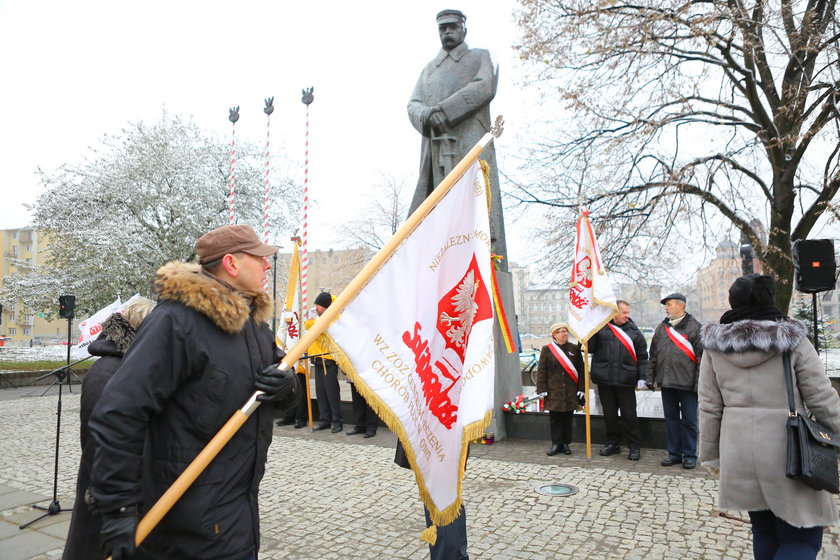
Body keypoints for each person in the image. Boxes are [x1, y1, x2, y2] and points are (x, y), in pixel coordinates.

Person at [87, 224, 299, 560]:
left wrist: (286, 388)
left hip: (237, 510)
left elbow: (280, 385)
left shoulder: (254, 326)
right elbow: (119, 413)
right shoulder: (175, 323)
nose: (267, 265)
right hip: (182, 524)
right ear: (231, 264)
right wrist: (118, 509)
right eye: (259, 258)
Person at [699, 274, 840, 560]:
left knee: (764, 532)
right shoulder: (792, 340)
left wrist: (711, 457)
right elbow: (821, 398)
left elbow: (709, 407)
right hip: (788, 448)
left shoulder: (714, 346)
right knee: (803, 537)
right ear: (769, 299)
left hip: (738, 449)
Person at [407, 8, 507, 268]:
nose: (447, 32)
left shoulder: (482, 57)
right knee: (435, 211)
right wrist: (427, 116)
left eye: (452, 26)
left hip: (471, 144)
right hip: (437, 150)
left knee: (477, 206)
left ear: (464, 28)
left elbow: (483, 86)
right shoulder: (429, 70)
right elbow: (413, 104)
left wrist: (444, 112)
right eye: (443, 28)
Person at [62, 297, 155, 560]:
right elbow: (100, 448)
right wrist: (121, 507)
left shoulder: (135, 367)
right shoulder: (107, 372)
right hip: (110, 505)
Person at [645, 292, 702, 469]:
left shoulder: (695, 328)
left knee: (690, 421)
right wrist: (650, 378)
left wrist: (698, 384)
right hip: (667, 382)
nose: (666, 308)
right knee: (671, 420)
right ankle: (674, 453)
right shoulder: (662, 328)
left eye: (669, 304)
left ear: (681, 306)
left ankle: (690, 454)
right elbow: (653, 355)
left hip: (687, 383)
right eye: (666, 305)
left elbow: (702, 359)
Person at [588, 300, 649, 460]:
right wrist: (590, 326)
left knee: (629, 415)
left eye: (628, 312)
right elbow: (590, 347)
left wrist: (642, 377)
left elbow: (643, 357)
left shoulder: (634, 332)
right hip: (605, 379)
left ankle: (634, 446)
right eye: (624, 312)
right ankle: (612, 443)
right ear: (614, 312)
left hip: (625, 380)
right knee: (609, 415)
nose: (627, 316)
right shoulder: (600, 328)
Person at [536, 323, 585, 456]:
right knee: (555, 418)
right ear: (554, 335)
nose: (564, 334)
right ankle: (556, 443)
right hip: (553, 390)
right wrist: (541, 388)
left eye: (565, 331)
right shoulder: (547, 349)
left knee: (568, 418)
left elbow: (581, 369)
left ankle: (566, 444)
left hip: (570, 390)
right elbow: (541, 371)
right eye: (560, 332)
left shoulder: (574, 349)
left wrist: (582, 388)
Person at [306, 291, 344, 433]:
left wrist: (313, 323)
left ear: (325, 307)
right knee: (321, 391)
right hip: (317, 358)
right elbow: (309, 330)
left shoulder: (334, 317)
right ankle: (325, 419)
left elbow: (320, 331)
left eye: (318, 305)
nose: (315, 307)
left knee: (331, 391)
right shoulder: (318, 318)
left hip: (328, 359)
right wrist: (311, 321)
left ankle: (337, 420)